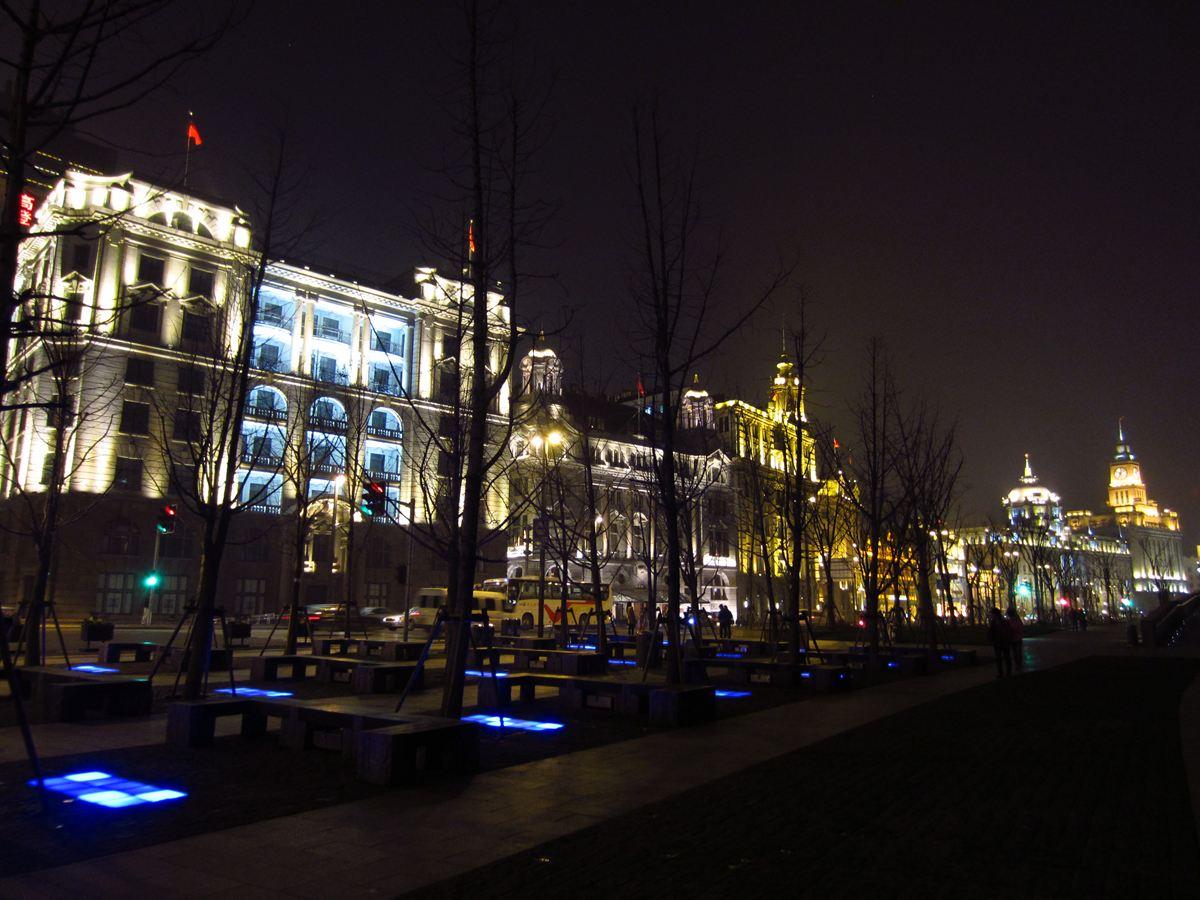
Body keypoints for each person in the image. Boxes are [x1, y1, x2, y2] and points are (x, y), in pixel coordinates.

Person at [987, 606, 1012, 678]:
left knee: (1001, 657)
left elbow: (991, 632)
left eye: (992, 614)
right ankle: (1006, 672)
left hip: (999, 642)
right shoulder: (1003, 621)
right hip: (1002, 642)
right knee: (1005, 657)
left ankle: (1003, 672)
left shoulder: (995, 622)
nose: (991, 615)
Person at [1005, 605, 1024, 670]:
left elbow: (1017, 627)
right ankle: (1018, 663)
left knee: (1016, 652)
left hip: (1015, 637)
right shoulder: (1014, 619)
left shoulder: (1013, 620)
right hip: (1016, 638)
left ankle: (1018, 664)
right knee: (1016, 651)